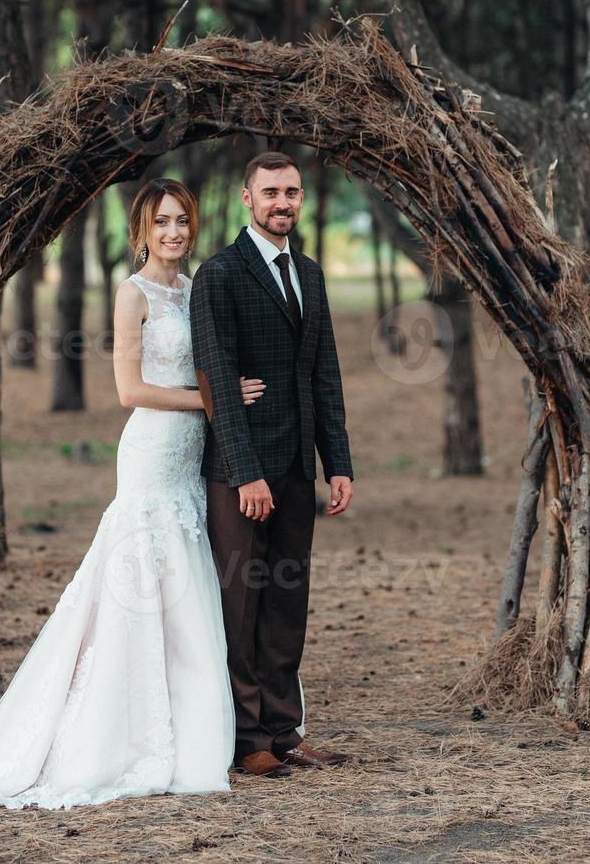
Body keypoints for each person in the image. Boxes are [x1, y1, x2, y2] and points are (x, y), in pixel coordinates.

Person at [0, 178, 262, 809]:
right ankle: (112, 735)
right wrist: (214, 404)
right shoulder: (132, 295)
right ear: (141, 232)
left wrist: (222, 399)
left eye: (182, 222)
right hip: (153, 450)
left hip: (192, 458)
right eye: (162, 222)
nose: (174, 233)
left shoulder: (194, 292)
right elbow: (129, 392)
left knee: (184, 589)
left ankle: (189, 736)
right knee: (137, 583)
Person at [191, 151, 356, 779]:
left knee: (288, 599)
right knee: (243, 602)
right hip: (241, 472)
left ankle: (286, 731)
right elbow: (214, 380)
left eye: (291, 192)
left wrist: (336, 462)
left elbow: (324, 375)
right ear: (245, 198)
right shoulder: (220, 275)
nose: (282, 202)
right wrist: (245, 473)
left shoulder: (309, 274)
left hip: (296, 469)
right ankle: (247, 739)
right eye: (270, 193)